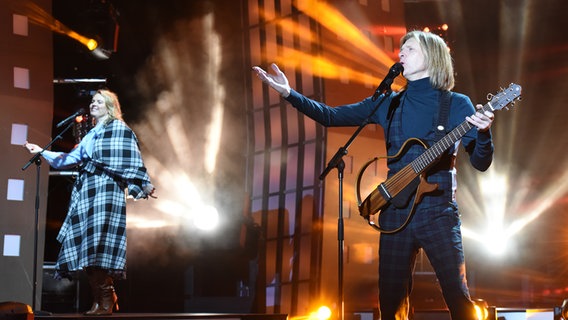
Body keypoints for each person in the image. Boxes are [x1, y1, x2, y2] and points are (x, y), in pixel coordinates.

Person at [252, 30, 495, 320]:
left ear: (432, 56)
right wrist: (288, 94)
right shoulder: (387, 102)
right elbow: (330, 116)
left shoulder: (457, 104)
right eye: (401, 50)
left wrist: (483, 132)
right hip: (393, 210)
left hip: (439, 212)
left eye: (410, 49)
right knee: (390, 304)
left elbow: (481, 162)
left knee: (458, 297)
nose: (400, 54)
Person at [24, 89, 156, 316]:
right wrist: (42, 152)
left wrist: (144, 183)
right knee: (87, 248)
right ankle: (102, 298)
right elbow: (70, 159)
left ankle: (106, 298)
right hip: (87, 193)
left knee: (97, 246)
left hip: (107, 193)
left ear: (109, 106)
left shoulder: (119, 130)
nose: (93, 104)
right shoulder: (90, 135)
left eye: (98, 101)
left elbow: (131, 159)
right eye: (92, 101)